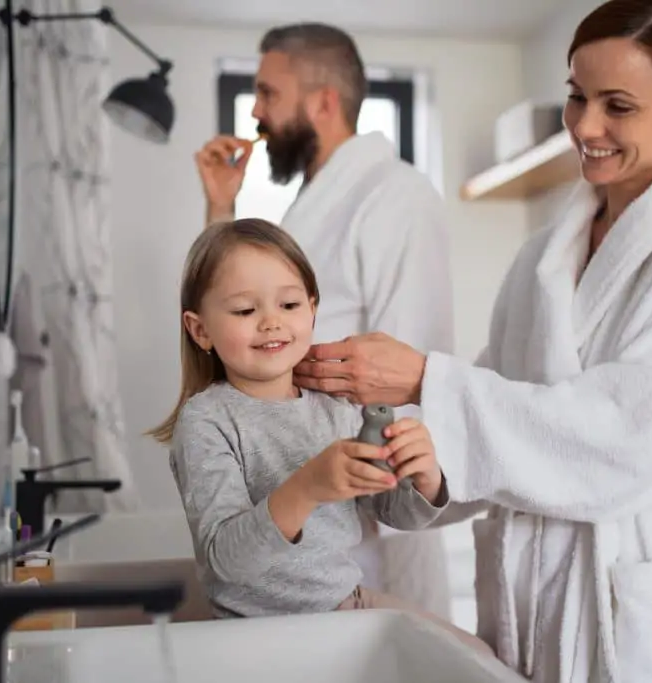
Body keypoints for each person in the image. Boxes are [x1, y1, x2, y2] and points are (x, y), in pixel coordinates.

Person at [293, 1, 652, 681]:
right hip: (527, 598)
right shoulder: (541, 259)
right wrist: (427, 467)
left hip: (642, 604)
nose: (585, 126)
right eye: (577, 96)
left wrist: (424, 381)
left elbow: (626, 436)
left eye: (618, 105)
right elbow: (499, 426)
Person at [193, 23, 456, 617]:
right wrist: (220, 206)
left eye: (268, 92)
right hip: (292, 524)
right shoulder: (316, 202)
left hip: (370, 515)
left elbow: (409, 365)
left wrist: (399, 484)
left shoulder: (396, 196)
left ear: (324, 101)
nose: (256, 110)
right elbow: (229, 299)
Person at [146, 219, 493, 658]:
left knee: (476, 660)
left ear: (312, 309)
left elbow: (389, 510)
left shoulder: (333, 407)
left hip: (344, 606)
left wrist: (424, 478)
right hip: (251, 636)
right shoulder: (206, 423)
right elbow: (226, 563)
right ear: (200, 331)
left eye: (288, 304)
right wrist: (307, 487)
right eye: (245, 311)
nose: (271, 322)